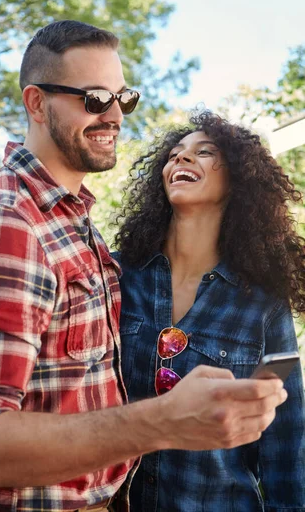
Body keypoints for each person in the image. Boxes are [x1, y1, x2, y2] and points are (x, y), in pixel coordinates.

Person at [0, 22, 287, 512]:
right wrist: (163, 421)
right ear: (37, 104)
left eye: (123, 99)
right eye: (93, 98)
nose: (113, 115)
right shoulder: (6, 223)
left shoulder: (75, 222)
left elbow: (47, 380)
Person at [113, 111, 305, 511]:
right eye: (174, 154)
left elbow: (286, 442)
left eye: (203, 152)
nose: (181, 159)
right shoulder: (116, 276)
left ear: (238, 180)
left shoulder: (265, 303)